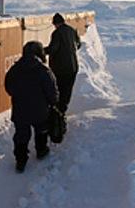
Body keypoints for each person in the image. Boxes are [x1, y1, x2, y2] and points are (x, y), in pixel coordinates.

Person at [5, 41, 59, 173]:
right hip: (40, 110)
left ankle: (21, 161)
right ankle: (41, 150)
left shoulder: (15, 69)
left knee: (21, 135)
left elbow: (9, 87)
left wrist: (19, 96)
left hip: (20, 109)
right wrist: (53, 102)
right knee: (41, 130)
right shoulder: (44, 70)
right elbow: (52, 91)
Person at [44, 13, 81, 114]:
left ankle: (58, 116)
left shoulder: (57, 33)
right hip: (73, 67)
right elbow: (78, 45)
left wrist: (41, 50)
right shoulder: (72, 30)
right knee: (67, 92)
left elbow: (53, 49)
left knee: (59, 91)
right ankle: (62, 112)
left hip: (60, 68)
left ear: (56, 24)